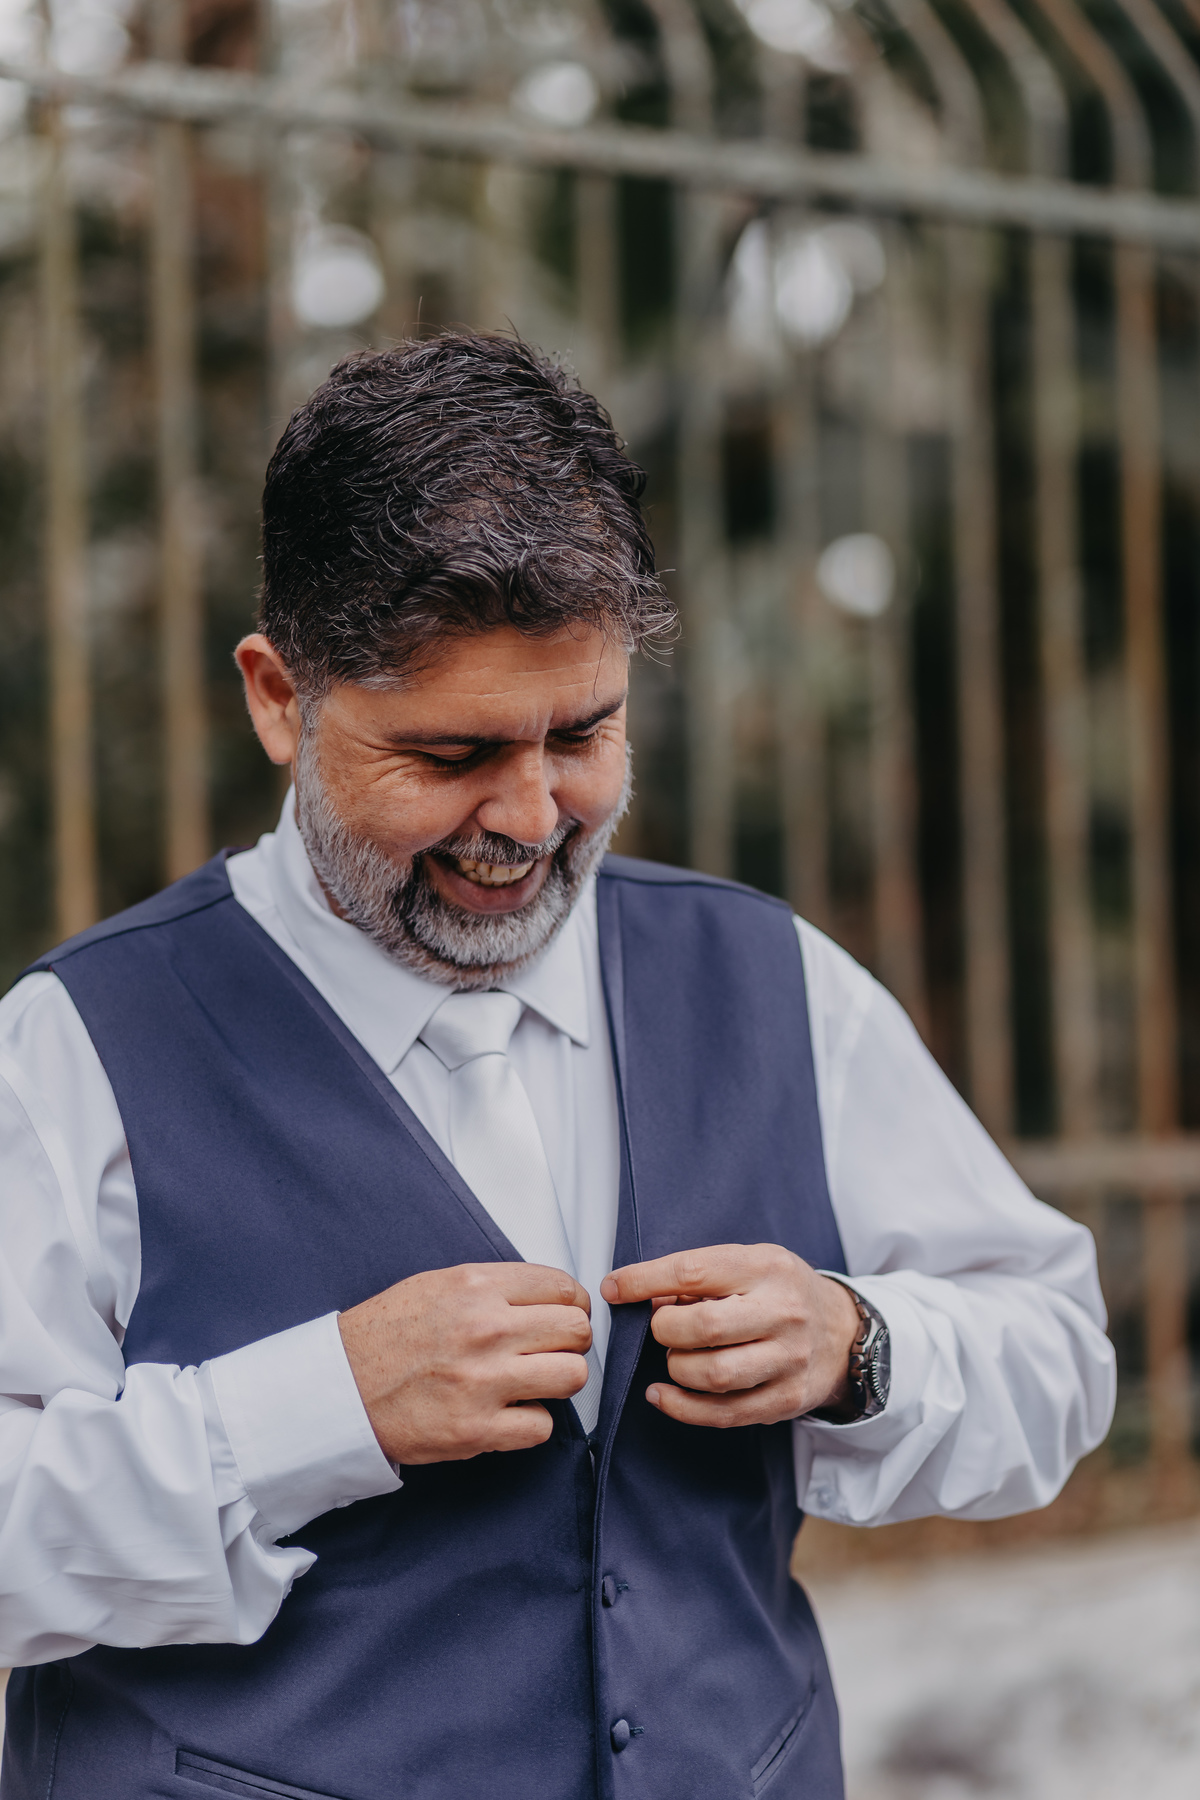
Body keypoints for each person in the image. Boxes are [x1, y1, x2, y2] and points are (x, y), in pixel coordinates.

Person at [0, 332, 1114, 1800]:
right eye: (452, 755)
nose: (530, 818)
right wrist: (314, 1411)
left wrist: (860, 1346)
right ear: (280, 698)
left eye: (582, 732)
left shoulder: (779, 979)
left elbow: (1060, 1355)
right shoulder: (77, 1045)